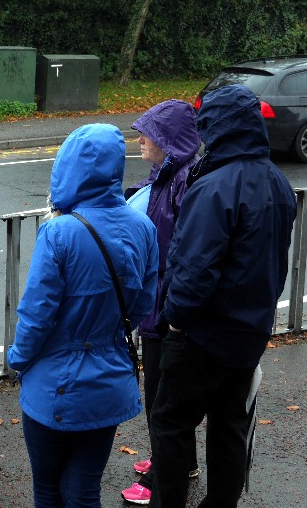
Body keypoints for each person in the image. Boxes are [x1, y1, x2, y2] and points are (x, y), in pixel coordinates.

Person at [149, 84, 296, 508]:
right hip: (249, 331)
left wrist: (176, 320)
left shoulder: (215, 186)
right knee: (230, 424)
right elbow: (276, 261)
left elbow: (194, 266)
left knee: (170, 422)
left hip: (204, 333)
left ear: (218, 126)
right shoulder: (277, 181)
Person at [7, 123, 158, 506]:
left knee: (47, 487)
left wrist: (18, 360)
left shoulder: (59, 232)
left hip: (54, 384)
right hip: (109, 381)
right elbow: (143, 303)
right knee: (85, 488)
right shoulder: (143, 226)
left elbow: (36, 315)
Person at [120, 100, 202, 504]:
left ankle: (161, 478)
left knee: (162, 400)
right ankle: (182, 462)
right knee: (168, 395)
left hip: (167, 307)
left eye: (148, 134)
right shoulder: (167, 175)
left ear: (168, 140)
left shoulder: (183, 181)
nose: (140, 141)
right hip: (160, 301)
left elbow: (179, 249)